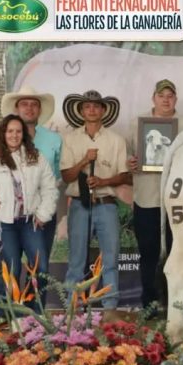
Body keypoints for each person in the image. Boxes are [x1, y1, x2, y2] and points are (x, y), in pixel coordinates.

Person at [0, 115, 58, 320]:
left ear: (24, 135)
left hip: (31, 222)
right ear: (3, 134)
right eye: (10, 131)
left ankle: (34, 313)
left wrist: (43, 213)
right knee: (9, 267)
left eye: (18, 131)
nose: (14, 135)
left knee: (40, 266)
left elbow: (50, 187)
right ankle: (5, 313)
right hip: (6, 224)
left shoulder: (36, 157)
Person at [127, 79, 183, 315]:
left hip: (179, 202)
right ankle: (150, 303)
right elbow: (128, 158)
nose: (166, 99)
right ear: (153, 98)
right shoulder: (137, 124)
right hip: (147, 199)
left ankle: (178, 304)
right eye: (161, 95)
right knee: (149, 253)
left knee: (180, 253)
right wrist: (132, 163)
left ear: (175, 98)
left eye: (170, 95)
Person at [61, 90, 129, 311]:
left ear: (103, 110)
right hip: (79, 204)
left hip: (106, 204)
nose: (92, 110)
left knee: (110, 259)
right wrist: (84, 161)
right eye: (87, 106)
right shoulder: (70, 139)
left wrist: (103, 181)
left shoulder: (116, 140)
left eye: (96, 106)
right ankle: (73, 306)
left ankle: (110, 307)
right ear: (81, 111)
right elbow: (66, 176)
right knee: (76, 260)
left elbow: (125, 175)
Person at [0, 86, 62, 261]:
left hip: (43, 213)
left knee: (39, 267)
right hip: (10, 215)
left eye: (34, 104)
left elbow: (58, 176)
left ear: (40, 110)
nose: (29, 108)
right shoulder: (4, 140)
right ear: (16, 109)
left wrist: (45, 208)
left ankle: (36, 290)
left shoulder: (54, 139)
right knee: (10, 266)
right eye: (24, 104)